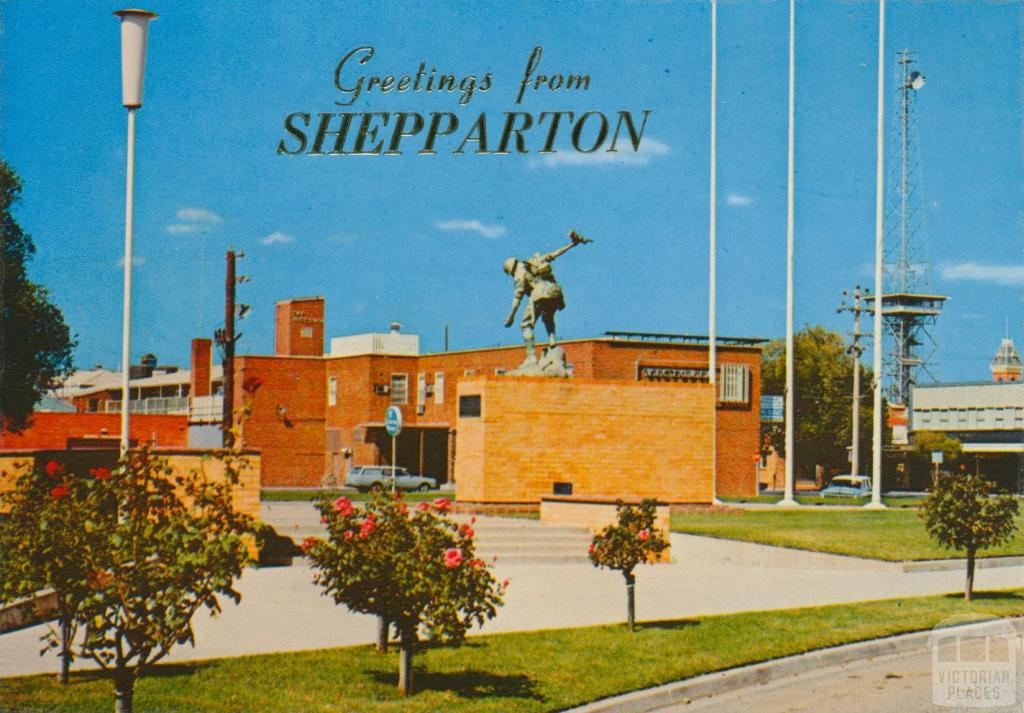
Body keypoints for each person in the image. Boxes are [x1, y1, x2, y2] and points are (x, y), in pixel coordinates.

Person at [503, 229, 591, 365]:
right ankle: (553, 342)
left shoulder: (519, 274)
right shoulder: (534, 261)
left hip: (540, 294)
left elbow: (518, 297)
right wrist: (573, 244)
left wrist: (511, 317)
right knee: (548, 317)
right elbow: (555, 254)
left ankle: (531, 357)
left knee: (526, 325)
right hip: (555, 292)